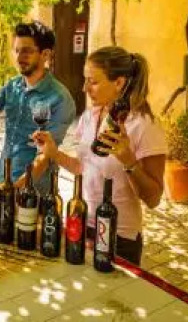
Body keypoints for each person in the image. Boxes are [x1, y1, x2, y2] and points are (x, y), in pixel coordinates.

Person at [31, 46, 167, 266]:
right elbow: (83, 168)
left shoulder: (144, 125)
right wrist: (54, 153)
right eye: (85, 80)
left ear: (119, 83)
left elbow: (153, 199)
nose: (84, 88)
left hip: (119, 237)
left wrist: (129, 161)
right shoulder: (90, 116)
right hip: (82, 224)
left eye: (93, 81)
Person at [0, 20, 76, 194]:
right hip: (3, 180)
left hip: (35, 193)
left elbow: (46, 156)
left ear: (45, 54)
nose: (19, 58)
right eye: (17, 50)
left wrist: (14, 189)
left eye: (26, 51)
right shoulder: (13, 86)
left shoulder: (60, 98)